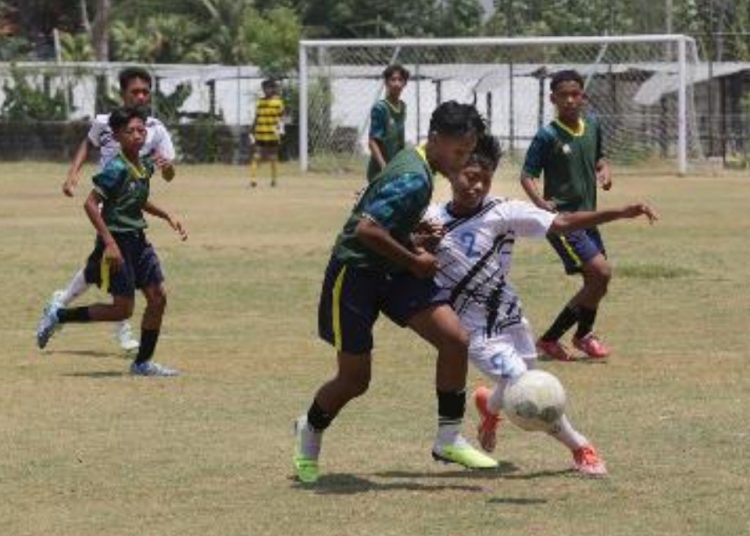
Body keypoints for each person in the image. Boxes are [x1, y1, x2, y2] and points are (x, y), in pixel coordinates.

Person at [422, 133, 657, 476]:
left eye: (485, 179)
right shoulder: (430, 219)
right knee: (529, 388)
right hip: (475, 332)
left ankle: (489, 406)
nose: (477, 186)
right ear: (452, 172)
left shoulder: (502, 211)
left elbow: (560, 223)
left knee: (522, 380)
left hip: (511, 318)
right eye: (470, 177)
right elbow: (392, 236)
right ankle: (581, 447)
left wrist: (619, 212)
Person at [293, 101, 496, 485]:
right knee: (355, 380)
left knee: (454, 339)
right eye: (458, 152)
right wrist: (415, 259)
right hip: (356, 273)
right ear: (435, 139)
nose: (462, 162)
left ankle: (448, 438)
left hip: (392, 269)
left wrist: (412, 237)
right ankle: (310, 430)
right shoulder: (414, 177)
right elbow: (366, 230)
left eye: (468, 153)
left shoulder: (419, 161)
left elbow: (381, 219)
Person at [36, 107, 186, 377]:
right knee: (122, 310)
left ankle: (142, 363)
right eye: (130, 131)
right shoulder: (115, 168)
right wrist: (109, 243)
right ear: (117, 136)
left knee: (158, 297)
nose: (137, 135)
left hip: (138, 241)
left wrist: (167, 215)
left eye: (141, 130)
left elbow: (139, 198)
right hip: (117, 242)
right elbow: (90, 204)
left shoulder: (144, 164)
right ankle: (59, 316)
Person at [49, 66, 176, 353]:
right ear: (123, 93)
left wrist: (168, 169)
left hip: (131, 206)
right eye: (135, 91)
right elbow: (88, 144)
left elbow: (168, 172)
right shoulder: (105, 122)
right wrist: (72, 174)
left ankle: (60, 305)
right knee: (114, 267)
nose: (141, 96)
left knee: (101, 268)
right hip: (107, 206)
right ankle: (110, 324)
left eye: (145, 92)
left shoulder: (155, 129)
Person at [520, 69, 615, 361]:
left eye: (575, 94)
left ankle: (577, 336)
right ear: (553, 99)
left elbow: (599, 158)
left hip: (589, 218)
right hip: (563, 222)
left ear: (583, 96)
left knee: (597, 282)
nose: (570, 100)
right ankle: (557, 339)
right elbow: (527, 175)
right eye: (564, 95)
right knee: (600, 273)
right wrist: (540, 202)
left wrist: (604, 170)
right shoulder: (547, 135)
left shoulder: (593, 125)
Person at [367, 64, 409, 182]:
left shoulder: (402, 107)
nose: (396, 83)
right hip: (380, 170)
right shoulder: (380, 108)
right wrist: (383, 166)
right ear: (386, 83)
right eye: (393, 80)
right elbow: (372, 142)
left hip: (395, 167)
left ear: (405, 84)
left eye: (400, 80)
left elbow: (400, 140)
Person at [249, 78, 285, 188]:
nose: (265, 90)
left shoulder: (278, 102)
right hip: (260, 132)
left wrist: (281, 130)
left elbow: (282, 117)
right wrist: (252, 129)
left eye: (268, 88)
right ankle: (253, 180)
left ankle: (274, 180)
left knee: (273, 157)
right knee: (256, 156)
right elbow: (257, 116)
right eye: (264, 88)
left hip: (273, 134)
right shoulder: (260, 102)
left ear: (273, 89)